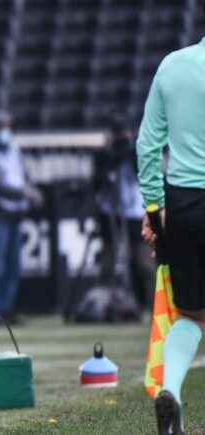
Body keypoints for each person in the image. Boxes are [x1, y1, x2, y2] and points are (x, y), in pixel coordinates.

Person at [137, 10, 205, 433]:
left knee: (192, 314)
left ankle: (172, 393)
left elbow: (147, 145)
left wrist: (153, 212)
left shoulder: (173, 65)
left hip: (184, 205)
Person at [0, 109, 40, 321]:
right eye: (3, 128)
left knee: (14, 264)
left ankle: (7, 308)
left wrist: (31, 189)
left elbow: (25, 175)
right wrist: (23, 192)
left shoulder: (15, 151)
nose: (7, 132)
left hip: (16, 214)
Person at [94, 113, 152, 307]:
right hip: (110, 211)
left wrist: (131, 150)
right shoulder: (103, 154)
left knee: (143, 261)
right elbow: (97, 180)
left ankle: (152, 304)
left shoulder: (139, 150)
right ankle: (104, 303)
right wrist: (112, 154)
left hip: (136, 211)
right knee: (108, 261)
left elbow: (144, 172)